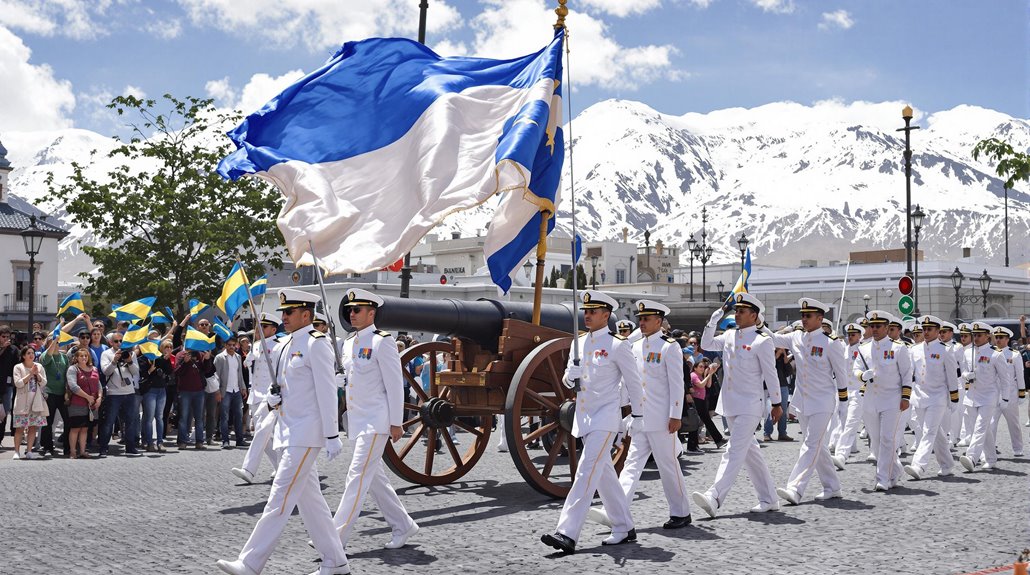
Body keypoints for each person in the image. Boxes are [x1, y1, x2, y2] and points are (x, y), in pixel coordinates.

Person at [217, 288, 349, 575]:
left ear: (306, 314)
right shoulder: (286, 345)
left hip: (307, 432)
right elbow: (285, 387)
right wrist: (272, 400)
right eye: (283, 313)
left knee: (280, 497)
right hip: (289, 430)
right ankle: (336, 561)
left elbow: (327, 391)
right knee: (310, 501)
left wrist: (331, 434)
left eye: (289, 312)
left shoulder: (317, 343)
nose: (284, 317)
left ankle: (250, 563)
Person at [541, 290, 643, 554]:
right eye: (586, 311)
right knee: (604, 475)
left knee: (586, 472)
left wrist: (639, 416)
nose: (587, 315)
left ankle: (566, 533)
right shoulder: (578, 341)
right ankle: (624, 526)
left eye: (593, 312)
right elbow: (567, 379)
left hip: (606, 418)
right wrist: (569, 377)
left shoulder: (618, 345)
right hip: (584, 417)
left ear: (606, 315)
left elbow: (634, 384)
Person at [586, 300, 692, 530]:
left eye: (646, 319)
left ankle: (681, 512)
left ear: (659, 321)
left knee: (668, 466)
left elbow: (677, 385)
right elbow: (628, 382)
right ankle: (617, 509)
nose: (641, 323)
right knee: (631, 465)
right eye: (640, 319)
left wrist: (675, 415)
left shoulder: (669, 346)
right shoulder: (634, 346)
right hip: (641, 418)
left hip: (663, 419)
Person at [330, 288, 419, 551]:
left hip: (377, 420)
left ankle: (334, 539)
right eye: (350, 310)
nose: (352, 314)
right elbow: (353, 379)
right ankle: (403, 524)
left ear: (372, 312)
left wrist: (396, 421)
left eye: (357, 310)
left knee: (356, 476)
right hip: (358, 421)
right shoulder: (348, 344)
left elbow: (394, 385)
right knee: (374, 480)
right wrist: (340, 382)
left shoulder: (383, 341)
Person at [691, 293, 782, 519]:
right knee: (751, 454)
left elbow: (771, 375)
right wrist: (714, 319)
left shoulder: (762, 340)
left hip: (750, 405)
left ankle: (715, 496)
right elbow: (706, 344)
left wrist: (777, 403)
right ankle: (769, 499)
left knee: (733, 451)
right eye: (736, 310)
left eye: (742, 311)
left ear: (754, 315)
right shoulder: (730, 335)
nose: (737, 314)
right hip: (730, 403)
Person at [765, 298, 849, 505]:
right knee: (816, 446)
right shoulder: (796, 337)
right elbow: (774, 339)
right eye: (802, 315)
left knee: (811, 445)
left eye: (808, 316)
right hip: (803, 401)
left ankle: (795, 488)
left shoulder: (831, 343)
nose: (804, 319)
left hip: (823, 402)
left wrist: (843, 404)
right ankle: (833, 486)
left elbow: (841, 374)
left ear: (820, 318)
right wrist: (759, 324)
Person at [852, 310, 912, 491]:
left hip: (892, 399)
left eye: (878, 326)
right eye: (872, 326)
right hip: (871, 399)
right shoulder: (863, 349)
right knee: (876, 441)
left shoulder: (898, 348)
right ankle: (894, 471)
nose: (875, 329)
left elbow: (907, 374)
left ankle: (882, 478)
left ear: (887, 327)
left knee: (887, 439)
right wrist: (862, 375)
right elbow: (855, 370)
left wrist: (905, 397)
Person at [902, 316, 959, 480]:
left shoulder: (946, 350)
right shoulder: (915, 349)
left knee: (928, 431)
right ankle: (947, 464)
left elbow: (951, 377)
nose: (925, 332)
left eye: (929, 329)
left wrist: (953, 398)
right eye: (924, 329)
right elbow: (910, 374)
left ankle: (918, 466)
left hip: (938, 396)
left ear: (937, 331)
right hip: (920, 396)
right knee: (935, 432)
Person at [233, 312, 282, 483]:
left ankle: (249, 469)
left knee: (262, 430)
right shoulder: (255, 345)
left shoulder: (279, 345)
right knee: (264, 434)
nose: (259, 329)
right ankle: (281, 466)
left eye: (264, 326)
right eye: (258, 326)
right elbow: (253, 372)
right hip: (255, 394)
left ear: (274, 329)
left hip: (269, 395)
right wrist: (248, 362)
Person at [958, 322, 1010, 472]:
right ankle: (991, 458)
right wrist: (967, 375)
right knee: (982, 428)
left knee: (980, 428)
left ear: (988, 336)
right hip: (972, 396)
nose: (976, 338)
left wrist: (1005, 398)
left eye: (979, 335)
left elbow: (1004, 378)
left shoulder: (996, 354)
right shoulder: (967, 352)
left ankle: (971, 457)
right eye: (974, 335)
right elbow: (962, 371)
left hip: (988, 397)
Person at [831, 323, 867, 468]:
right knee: (845, 420)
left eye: (853, 335)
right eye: (848, 335)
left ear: (859, 336)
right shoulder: (844, 349)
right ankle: (851, 448)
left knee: (853, 423)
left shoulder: (864, 350)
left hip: (860, 391)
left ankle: (841, 454)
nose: (850, 337)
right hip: (845, 390)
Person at [99, 336, 141, 457]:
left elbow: (135, 372)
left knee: (130, 421)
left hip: (129, 392)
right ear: (111, 342)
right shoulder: (106, 354)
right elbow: (106, 371)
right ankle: (103, 448)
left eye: (121, 341)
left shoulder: (130, 354)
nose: (119, 343)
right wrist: (114, 361)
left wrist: (130, 361)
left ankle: (130, 447)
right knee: (109, 422)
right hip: (114, 393)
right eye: (116, 341)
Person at [989, 327, 1024, 458]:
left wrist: (1021, 393)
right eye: (996, 337)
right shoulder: (991, 353)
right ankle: (990, 448)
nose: (998, 340)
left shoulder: (1014, 354)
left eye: (1001, 337)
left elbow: (1020, 375)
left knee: (1013, 423)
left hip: (1010, 395)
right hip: (994, 394)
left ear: (1007, 339)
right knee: (991, 423)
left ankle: (1018, 447)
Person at [11, 345, 49, 459]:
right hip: (22, 402)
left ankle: (29, 451)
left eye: (32, 353)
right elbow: (18, 383)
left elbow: (44, 383)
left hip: (36, 401)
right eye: (28, 353)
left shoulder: (39, 366)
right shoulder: (18, 367)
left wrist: (37, 374)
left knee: (33, 427)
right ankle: (16, 451)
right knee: (20, 428)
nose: (31, 355)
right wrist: (31, 373)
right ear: (23, 355)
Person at [65, 348, 102, 459]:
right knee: (75, 428)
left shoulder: (94, 369)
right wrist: (87, 397)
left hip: (91, 405)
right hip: (77, 403)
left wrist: (99, 398)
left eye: (85, 356)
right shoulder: (73, 369)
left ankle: (82, 451)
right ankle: (72, 451)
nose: (84, 358)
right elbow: (73, 386)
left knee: (85, 428)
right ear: (76, 357)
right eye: (81, 356)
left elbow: (99, 385)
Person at [40, 333, 70, 457]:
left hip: (62, 393)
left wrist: (67, 393)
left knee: (68, 421)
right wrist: (54, 340)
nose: (57, 344)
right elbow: (46, 358)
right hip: (50, 393)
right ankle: (48, 448)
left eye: (58, 342)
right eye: (53, 342)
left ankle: (67, 448)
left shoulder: (64, 357)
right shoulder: (45, 356)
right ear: (48, 344)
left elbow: (67, 376)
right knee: (48, 421)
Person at [216, 337, 249, 449]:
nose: (231, 347)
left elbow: (239, 374)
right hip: (225, 391)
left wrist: (243, 388)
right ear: (225, 345)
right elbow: (216, 376)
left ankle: (239, 440)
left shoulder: (238, 357)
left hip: (236, 390)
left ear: (236, 345)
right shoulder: (220, 358)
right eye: (229, 345)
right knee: (224, 417)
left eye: (233, 345)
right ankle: (225, 440)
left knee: (239, 416)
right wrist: (218, 392)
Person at [140, 342, 173, 452]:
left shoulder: (164, 359)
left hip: (162, 390)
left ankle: (160, 442)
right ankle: (149, 442)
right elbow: (142, 374)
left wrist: (167, 360)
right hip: (150, 390)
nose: (168, 349)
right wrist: (150, 370)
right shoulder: (147, 358)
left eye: (170, 347)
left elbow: (169, 372)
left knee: (160, 417)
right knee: (149, 418)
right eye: (165, 347)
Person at [763, 347, 793, 442]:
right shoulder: (768, 353)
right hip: (770, 386)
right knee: (769, 409)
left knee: (783, 411)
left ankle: (782, 433)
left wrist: (784, 357)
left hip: (783, 386)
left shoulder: (783, 356)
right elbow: (768, 367)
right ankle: (767, 433)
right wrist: (776, 355)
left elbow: (789, 372)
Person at [0, 326, 20, 449]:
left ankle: (0, 437)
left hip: (6, 386)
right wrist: (2, 348)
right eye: (3, 337)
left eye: (8, 337)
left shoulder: (13, 349)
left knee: (4, 414)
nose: (6, 339)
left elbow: (17, 365)